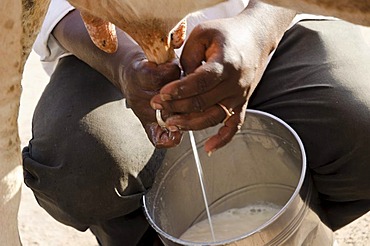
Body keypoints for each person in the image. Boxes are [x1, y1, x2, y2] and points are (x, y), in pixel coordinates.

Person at [22, 0, 370, 245]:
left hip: (264, 20)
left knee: (358, 116)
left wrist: (261, 30)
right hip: (110, 62)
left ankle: (298, 228)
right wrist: (123, 65)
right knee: (81, 164)